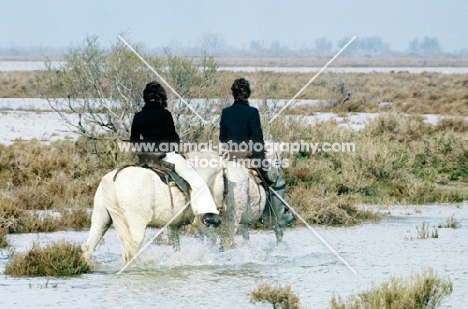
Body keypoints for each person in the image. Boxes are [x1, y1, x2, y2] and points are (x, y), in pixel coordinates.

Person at [130, 81, 221, 228]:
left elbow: (134, 142)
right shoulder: (165, 114)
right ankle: (206, 214)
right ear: (161, 97)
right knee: (197, 181)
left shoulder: (138, 116)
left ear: (145, 97)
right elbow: (173, 139)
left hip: (145, 160)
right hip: (166, 156)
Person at [219, 78, 295, 227]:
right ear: (248, 94)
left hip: (229, 158)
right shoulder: (252, 112)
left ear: (233, 94)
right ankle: (280, 218)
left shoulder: (225, 112)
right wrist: (261, 158)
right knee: (276, 180)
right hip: (249, 158)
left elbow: (222, 137)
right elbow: (257, 140)